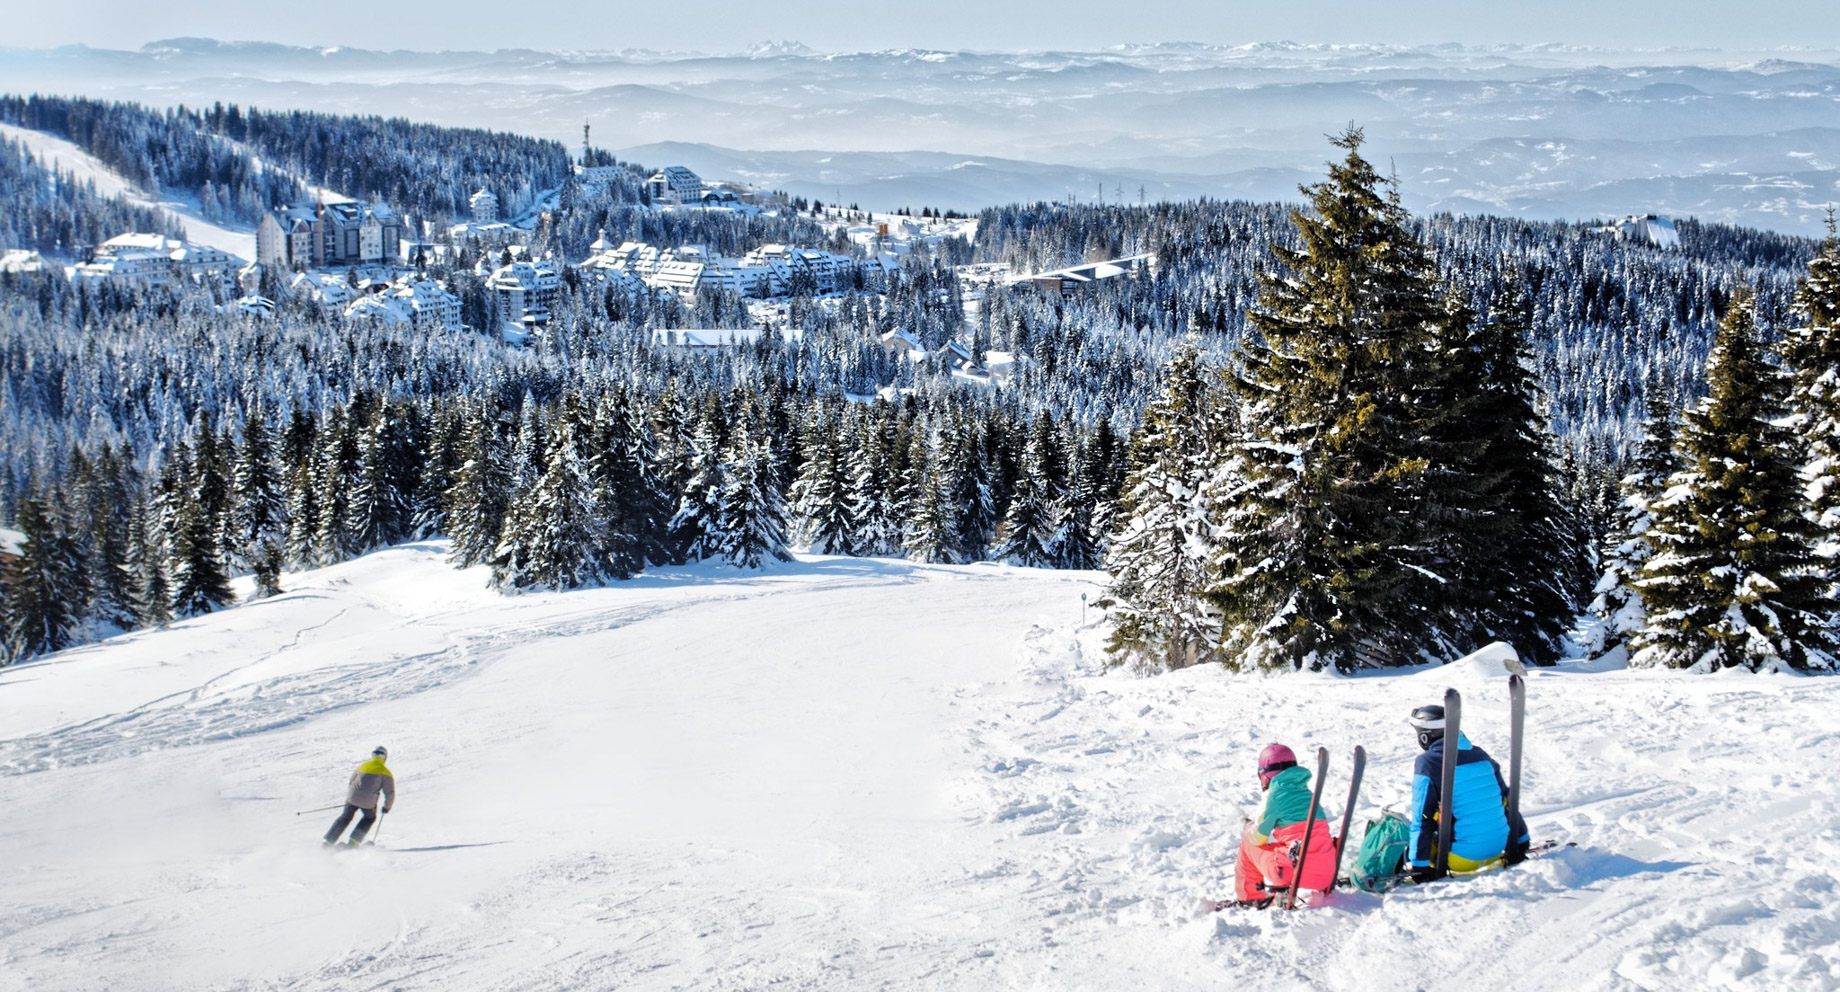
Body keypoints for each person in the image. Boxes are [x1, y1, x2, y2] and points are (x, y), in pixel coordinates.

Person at [1405, 705, 1528, 881]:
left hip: (1461, 859)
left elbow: (1422, 818)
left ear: (1424, 735)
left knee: (1403, 831)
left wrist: (1420, 867)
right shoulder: (1481, 755)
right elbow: (1506, 800)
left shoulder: (1428, 762)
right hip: (1497, 848)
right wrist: (1522, 841)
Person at [1232, 743, 1335, 907]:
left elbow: (1258, 838)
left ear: (1265, 775)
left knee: (1247, 847)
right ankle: (1278, 894)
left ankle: (1250, 900)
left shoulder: (1275, 796)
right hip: (1326, 872)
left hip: (1294, 872)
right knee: (1282, 846)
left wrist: (1248, 828)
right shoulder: (1308, 795)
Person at [324, 745, 395, 846]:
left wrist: (351, 798)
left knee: (345, 818)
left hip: (352, 798)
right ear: (385, 757)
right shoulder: (386, 773)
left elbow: (352, 781)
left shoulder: (362, 766)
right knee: (369, 818)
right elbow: (390, 793)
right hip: (368, 803)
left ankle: (328, 842)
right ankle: (354, 841)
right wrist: (386, 807)